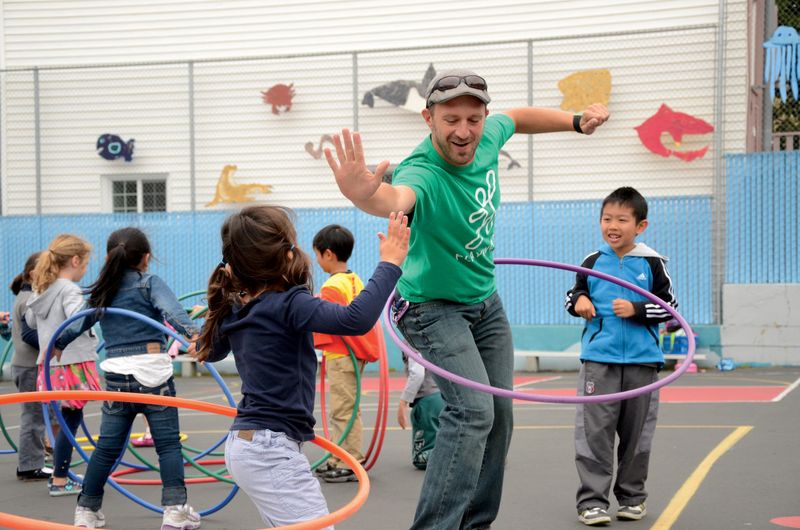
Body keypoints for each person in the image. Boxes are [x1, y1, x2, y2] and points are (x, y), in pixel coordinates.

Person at [325, 68, 609, 529]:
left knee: (500, 415)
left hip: (485, 301)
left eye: (473, 119)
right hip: (431, 308)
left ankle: (475, 524)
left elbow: (518, 118)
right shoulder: (424, 171)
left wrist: (577, 121)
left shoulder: (488, 136)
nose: (463, 131)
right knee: (473, 411)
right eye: (451, 119)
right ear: (429, 119)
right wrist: (364, 196)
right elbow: (397, 197)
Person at [193, 205, 408, 528]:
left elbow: (210, 352)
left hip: (249, 445)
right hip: (269, 448)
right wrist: (390, 263)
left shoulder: (238, 306)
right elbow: (356, 319)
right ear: (285, 254)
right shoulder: (289, 305)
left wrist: (201, 330)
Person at [54, 227, 202, 530]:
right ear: (146, 258)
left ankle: (86, 510)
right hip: (153, 377)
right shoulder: (149, 283)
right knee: (168, 446)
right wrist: (195, 336)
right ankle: (174, 510)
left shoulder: (103, 290)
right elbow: (171, 312)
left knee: (106, 448)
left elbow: (79, 322)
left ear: (110, 258)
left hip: (118, 377)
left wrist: (59, 343)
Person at [564, 187, 678, 526]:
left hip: (643, 362)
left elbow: (670, 310)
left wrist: (637, 309)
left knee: (637, 434)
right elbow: (575, 294)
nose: (612, 226)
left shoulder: (653, 262)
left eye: (621, 220)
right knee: (594, 433)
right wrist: (578, 303)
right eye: (606, 219)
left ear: (640, 226)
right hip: (600, 360)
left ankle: (632, 498)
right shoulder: (592, 261)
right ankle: (592, 503)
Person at [25, 235, 101, 497]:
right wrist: (96, 309)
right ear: (75, 260)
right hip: (72, 362)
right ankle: (59, 479)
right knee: (71, 421)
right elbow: (78, 318)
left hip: (50, 367)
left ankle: (61, 474)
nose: (86, 269)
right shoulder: (68, 289)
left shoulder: (42, 289)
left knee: (66, 420)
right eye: (86, 264)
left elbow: (32, 322)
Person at [311, 224, 388, 483]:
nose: (318, 261)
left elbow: (329, 322)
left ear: (328, 254)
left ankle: (349, 458)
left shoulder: (332, 286)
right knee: (346, 407)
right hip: (354, 354)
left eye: (318, 255)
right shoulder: (354, 280)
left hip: (342, 356)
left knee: (343, 409)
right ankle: (338, 455)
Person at [8, 252, 54, 481]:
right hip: (29, 366)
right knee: (33, 416)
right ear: (34, 274)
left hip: (27, 364)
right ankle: (29, 466)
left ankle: (36, 458)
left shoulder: (27, 297)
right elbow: (29, 334)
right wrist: (55, 345)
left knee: (38, 415)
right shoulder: (29, 300)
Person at [397, 354, 444, 470]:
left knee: (420, 459)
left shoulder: (412, 342)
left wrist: (403, 402)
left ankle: (451, 457)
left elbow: (417, 373)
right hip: (441, 396)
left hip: (427, 400)